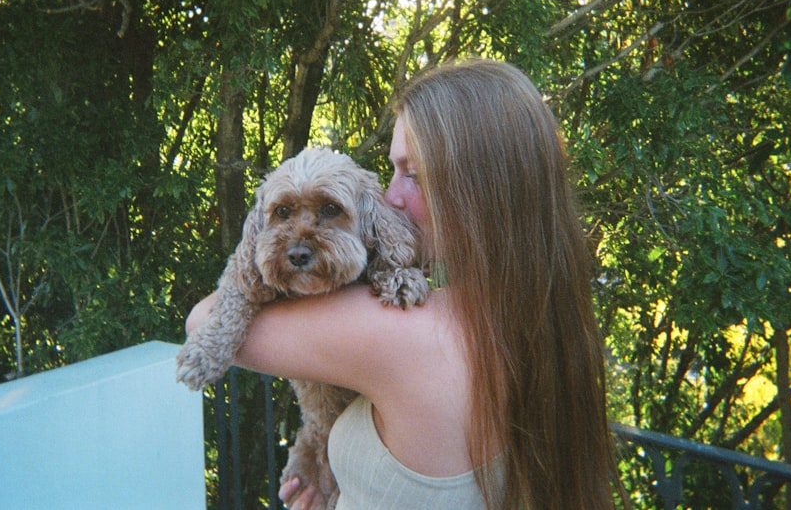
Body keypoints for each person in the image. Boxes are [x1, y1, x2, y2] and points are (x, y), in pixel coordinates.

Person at [186, 59, 620, 510]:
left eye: (411, 174)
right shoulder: (543, 322)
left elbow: (203, 321)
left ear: (481, 193)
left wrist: (262, 238)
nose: (390, 198)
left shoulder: (407, 333)